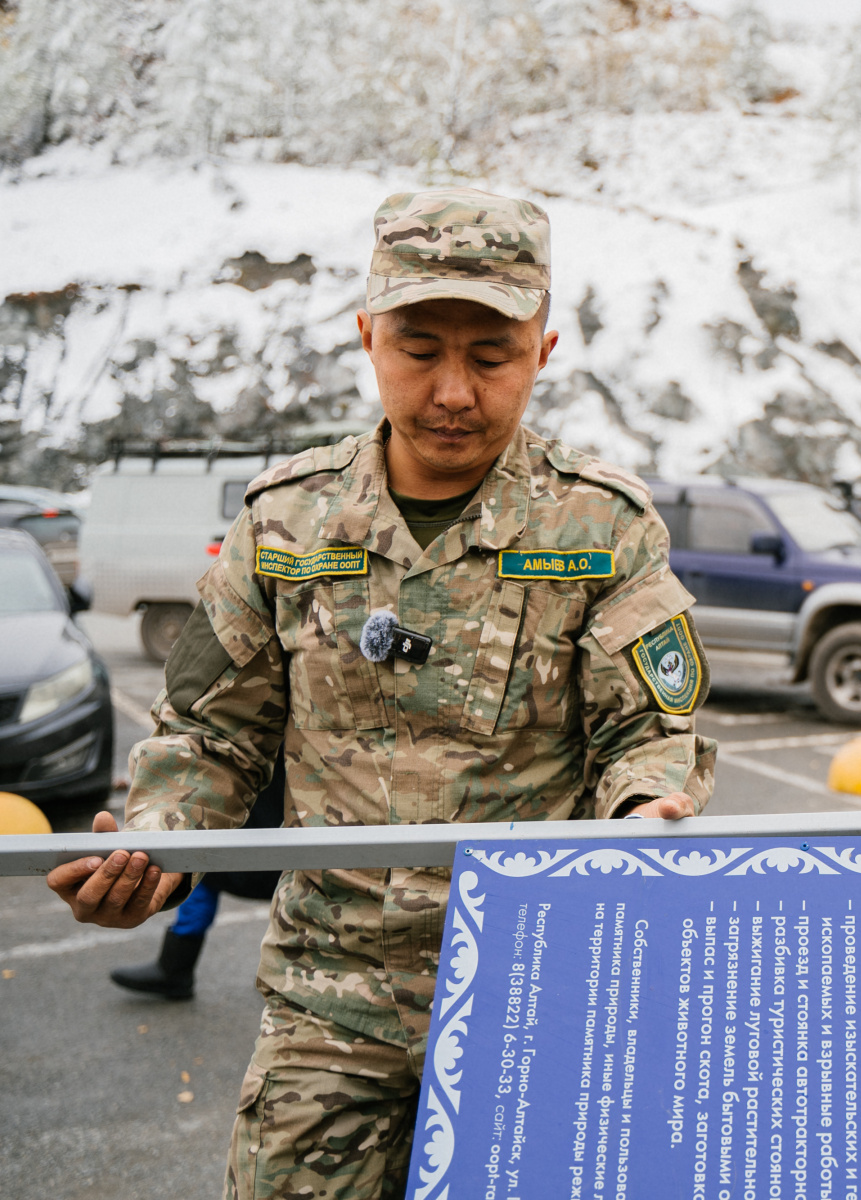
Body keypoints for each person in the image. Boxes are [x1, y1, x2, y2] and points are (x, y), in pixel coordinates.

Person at [46, 187, 716, 1199]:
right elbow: (210, 735)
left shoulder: (603, 526)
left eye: (490, 357)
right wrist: (155, 851)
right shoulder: (285, 524)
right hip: (331, 1005)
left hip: (539, 993)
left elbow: (647, 734)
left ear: (544, 351)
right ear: (367, 336)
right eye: (419, 349)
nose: (453, 391)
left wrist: (647, 811)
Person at [109, 762, 284, 1000]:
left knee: (206, 869)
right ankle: (175, 968)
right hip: (271, 819)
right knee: (203, 870)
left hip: (273, 815)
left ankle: (176, 968)